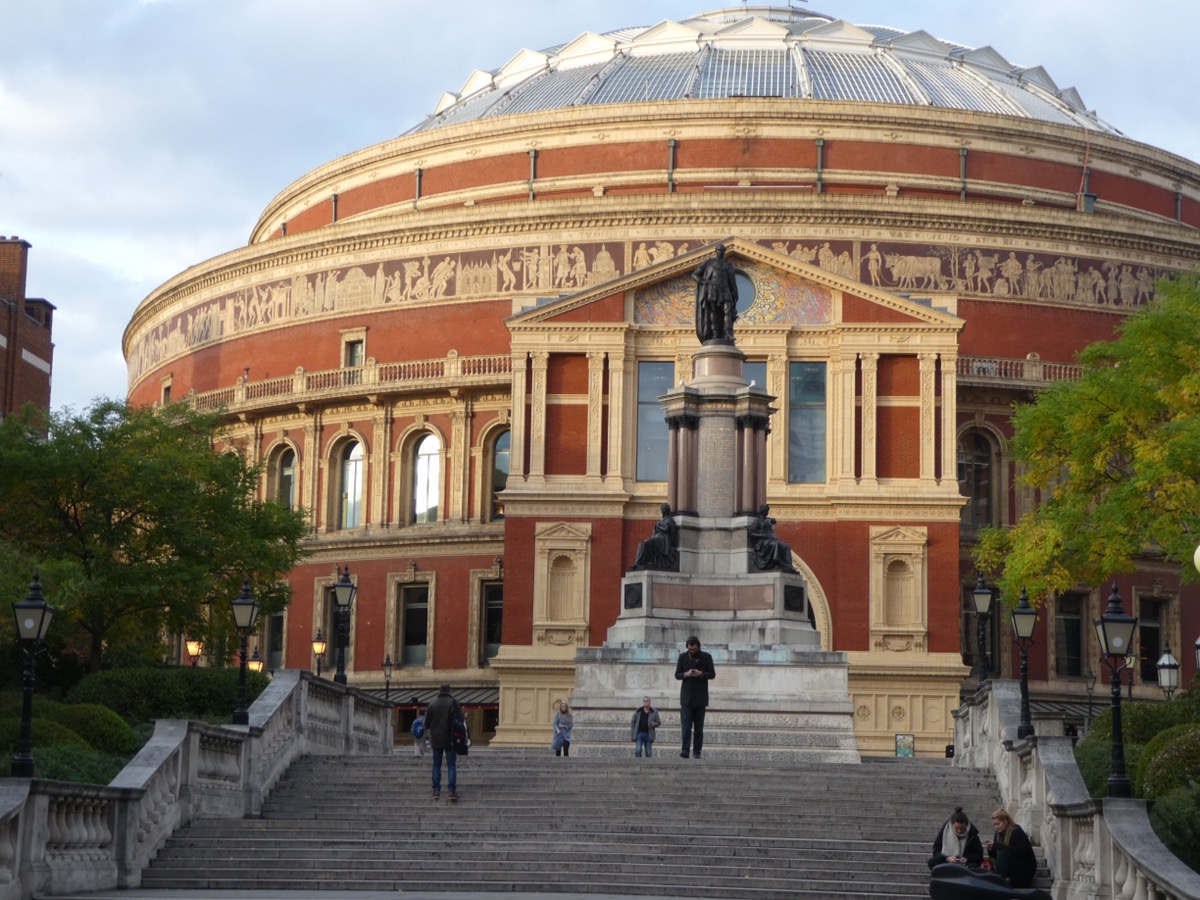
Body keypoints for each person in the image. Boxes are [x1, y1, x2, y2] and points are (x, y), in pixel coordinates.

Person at [674, 636, 716, 758]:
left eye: (694, 649)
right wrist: (686, 674)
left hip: (700, 698)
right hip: (686, 698)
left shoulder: (707, 657)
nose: (692, 651)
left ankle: (697, 751)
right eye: (690, 649)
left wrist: (701, 673)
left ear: (698, 647)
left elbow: (712, 674)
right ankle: (685, 749)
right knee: (686, 726)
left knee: (699, 728)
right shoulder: (682, 657)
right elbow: (677, 674)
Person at [693, 244, 738, 343]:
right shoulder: (709, 263)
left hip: (725, 289)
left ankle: (728, 334)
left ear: (724, 252)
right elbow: (695, 274)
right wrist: (702, 281)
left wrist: (734, 294)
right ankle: (715, 332)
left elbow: (732, 281)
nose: (720, 252)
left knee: (727, 310)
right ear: (715, 251)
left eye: (722, 250)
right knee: (714, 311)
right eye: (718, 250)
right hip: (712, 289)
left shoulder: (728, 264)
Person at [424, 683, 462, 801]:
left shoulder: (432, 704)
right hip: (450, 738)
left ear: (439, 691)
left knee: (436, 765)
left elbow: (426, 724)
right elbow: (460, 720)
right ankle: (451, 791)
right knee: (451, 765)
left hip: (436, 739)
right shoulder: (453, 703)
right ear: (449, 691)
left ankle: (436, 790)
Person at [986, 807, 1036, 888]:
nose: (996, 827)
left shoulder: (1016, 831)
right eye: (994, 825)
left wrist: (997, 846)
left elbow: (1020, 852)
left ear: (1006, 821)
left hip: (1023, 869)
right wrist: (990, 849)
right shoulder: (997, 834)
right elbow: (995, 856)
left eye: (998, 824)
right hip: (1007, 869)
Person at [748, 505, 796, 573]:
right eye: (767, 511)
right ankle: (775, 562)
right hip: (762, 542)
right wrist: (763, 535)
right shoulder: (757, 521)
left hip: (770, 540)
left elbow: (773, 523)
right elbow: (751, 533)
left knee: (786, 546)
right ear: (763, 511)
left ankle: (788, 566)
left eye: (768, 510)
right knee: (776, 545)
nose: (767, 512)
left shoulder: (768, 520)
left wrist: (772, 521)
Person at [632, 503, 679, 571]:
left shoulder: (669, 520)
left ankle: (639, 562)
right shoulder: (660, 521)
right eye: (662, 509)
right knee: (642, 544)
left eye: (663, 509)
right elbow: (654, 533)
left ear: (666, 511)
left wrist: (658, 526)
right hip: (657, 537)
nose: (662, 511)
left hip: (663, 539)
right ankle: (639, 562)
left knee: (648, 542)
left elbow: (666, 529)